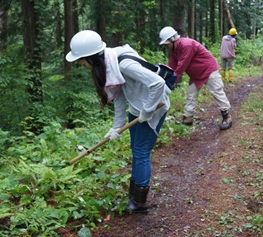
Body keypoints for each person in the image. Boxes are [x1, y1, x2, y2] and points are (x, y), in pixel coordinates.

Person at [66, 30, 171, 213]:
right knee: (135, 150)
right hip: (138, 107)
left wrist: (147, 111)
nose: (82, 65)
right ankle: (132, 197)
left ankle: (140, 203)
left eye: (82, 62)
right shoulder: (110, 64)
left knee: (141, 152)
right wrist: (116, 126)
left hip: (153, 107)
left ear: (92, 57)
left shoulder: (124, 64)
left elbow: (158, 84)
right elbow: (119, 95)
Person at [159, 26, 233, 130]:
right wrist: (167, 74)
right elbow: (172, 65)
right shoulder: (174, 50)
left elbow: (183, 63)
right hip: (196, 74)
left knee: (217, 92)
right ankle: (188, 118)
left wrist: (174, 77)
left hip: (208, 69)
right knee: (191, 94)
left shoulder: (186, 44)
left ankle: (227, 117)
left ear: (172, 39)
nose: (166, 47)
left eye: (167, 44)